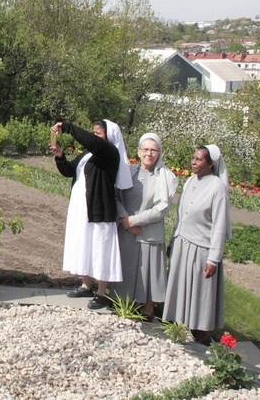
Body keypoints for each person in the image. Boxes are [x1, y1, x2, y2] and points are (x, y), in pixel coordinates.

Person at [51, 119, 132, 311]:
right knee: (84, 244)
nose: (95, 136)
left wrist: (69, 127)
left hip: (99, 208)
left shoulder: (110, 153)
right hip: (81, 208)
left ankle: (101, 292)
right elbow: (70, 171)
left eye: (99, 133)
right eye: (93, 132)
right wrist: (60, 157)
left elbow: (92, 143)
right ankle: (86, 285)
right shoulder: (88, 155)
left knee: (100, 248)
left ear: (108, 137)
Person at [163, 144, 230, 345]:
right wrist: (174, 240)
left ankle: (202, 337)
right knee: (182, 292)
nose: (193, 162)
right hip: (183, 244)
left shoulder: (217, 187)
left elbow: (219, 225)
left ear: (210, 164)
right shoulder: (191, 181)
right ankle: (182, 330)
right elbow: (182, 215)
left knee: (200, 296)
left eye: (199, 159)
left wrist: (213, 258)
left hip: (201, 249)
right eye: (193, 158)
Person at [111, 133, 178, 321]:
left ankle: (148, 308)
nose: (149, 153)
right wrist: (125, 219)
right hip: (126, 228)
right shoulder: (129, 172)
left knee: (148, 272)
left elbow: (162, 207)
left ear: (159, 153)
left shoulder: (166, 177)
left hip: (148, 231)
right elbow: (115, 195)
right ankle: (124, 303)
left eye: (153, 150)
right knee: (128, 268)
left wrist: (135, 221)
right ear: (139, 152)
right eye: (145, 149)